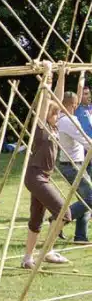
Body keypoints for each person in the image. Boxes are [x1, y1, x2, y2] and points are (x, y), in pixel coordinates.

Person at [22, 62, 73, 268]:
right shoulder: (41, 127)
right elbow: (45, 101)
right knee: (64, 213)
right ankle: (48, 251)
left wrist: (61, 74)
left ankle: (27, 259)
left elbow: (57, 100)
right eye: (54, 114)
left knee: (36, 220)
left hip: (44, 176)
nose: (57, 116)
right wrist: (48, 73)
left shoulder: (54, 128)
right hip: (36, 176)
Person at [55, 85, 91, 243]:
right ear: (72, 104)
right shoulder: (68, 121)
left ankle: (80, 236)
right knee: (90, 198)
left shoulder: (61, 118)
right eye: (75, 104)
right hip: (73, 165)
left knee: (85, 199)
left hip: (73, 164)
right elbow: (84, 140)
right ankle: (59, 220)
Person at [75, 71, 92, 138]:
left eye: (89, 93)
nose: (89, 96)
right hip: (84, 142)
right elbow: (80, 87)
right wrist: (82, 72)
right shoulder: (77, 108)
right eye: (85, 94)